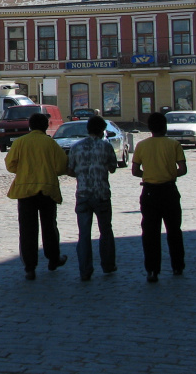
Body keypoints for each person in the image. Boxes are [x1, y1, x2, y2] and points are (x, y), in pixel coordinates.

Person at [5, 112, 68, 280]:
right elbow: (61, 166)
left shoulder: (20, 142)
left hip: (25, 191)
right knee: (49, 227)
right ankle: (53, 259)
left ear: (30, 126)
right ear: (46, 126)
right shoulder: (50, 143)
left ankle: (30, 267)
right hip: (47, 190)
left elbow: (10, 165)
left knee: (27, 230)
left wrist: (24, 170)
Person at [131, 112, 187, 283]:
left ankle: (152, 271)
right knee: (174, 230)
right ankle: (177, 266)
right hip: (169, 191)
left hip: (149, 192)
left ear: (149, 128)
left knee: (150, 233)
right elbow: (183, 169)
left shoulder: (141, 145)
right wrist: (169, 173)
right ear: (165, 127)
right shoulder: (174, 144)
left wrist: (148, 174)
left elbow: (135, 171)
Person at [66, 115, 117, 281]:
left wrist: (82, 174)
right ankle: (108, 264)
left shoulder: (76, 147)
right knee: (105, 231)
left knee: (84, 234)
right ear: (102, 131)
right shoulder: (106, 146)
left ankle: (85, 270)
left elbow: (70, 170)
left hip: (83, 194)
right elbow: (112, 167)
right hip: (101, 194)